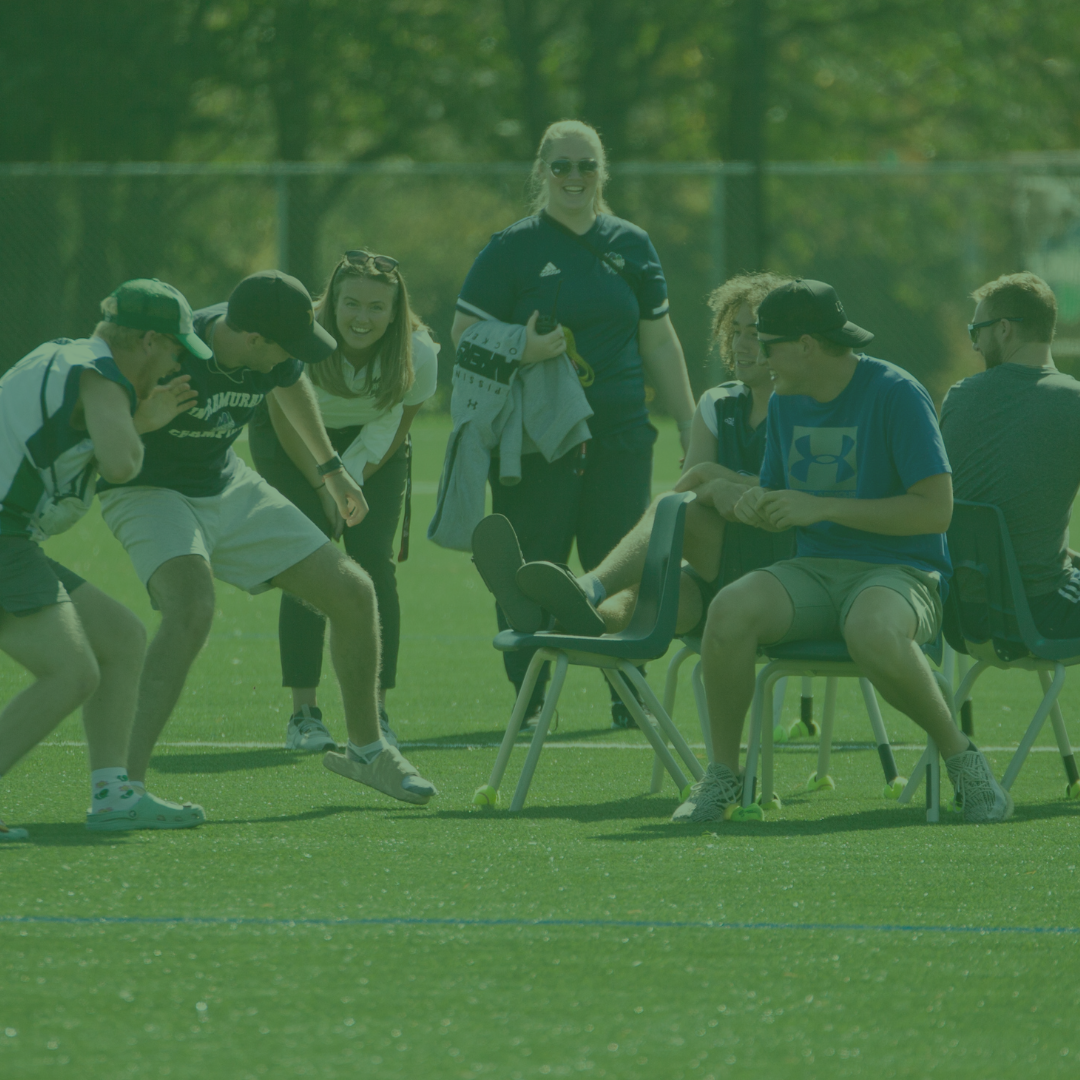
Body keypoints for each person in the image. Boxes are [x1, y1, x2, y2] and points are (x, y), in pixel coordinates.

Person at [671, 278, 1013, 825]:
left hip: (903, 571)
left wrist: (822, 508)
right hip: (811, 570)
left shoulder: (895, 393)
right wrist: (755, 501)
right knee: (728, 609)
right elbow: (787, 497)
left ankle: (963, 761)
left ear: (806, 345)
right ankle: (722, 777)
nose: (758, 357)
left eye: (769, 343)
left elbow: (935, 511)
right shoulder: (786, 400)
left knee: (871, 629)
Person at [96, 270, 437, 811]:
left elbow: (290, 378)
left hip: (223, 480)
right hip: (147, 487)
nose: (293, 358)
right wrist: (142, 417)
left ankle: (369, 750)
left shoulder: (272, 353)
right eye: (285, 347)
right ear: (252, 339)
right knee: (191, 606)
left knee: (353, 590)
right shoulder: (170, 347)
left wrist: (331, 469)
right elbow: (96, 415)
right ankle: (119, 788)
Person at [451, 118, 696, 727]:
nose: (575, 177)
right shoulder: (512, 247)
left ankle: (625, 691)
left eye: (586, 165)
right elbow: (463, 333)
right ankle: (532, 699)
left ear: (602, 171)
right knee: (534, 562)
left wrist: (691, 422)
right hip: (536, 439)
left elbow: (660, 340)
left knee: (621, 559)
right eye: (561, 165)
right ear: (541, 172)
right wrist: (524, 348)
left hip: (621, 431)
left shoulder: (632, 244)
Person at [475, 272, 796, 650]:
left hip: (781, 572)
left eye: (755, 334)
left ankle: (587, 586)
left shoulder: (806, 409)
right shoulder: (718, 403)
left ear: (786, 339)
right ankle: (557, 616)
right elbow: (690, 486)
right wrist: (716, 485)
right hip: (721, 571)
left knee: (673, 509)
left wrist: (715, 476)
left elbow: (789, 498)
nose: (742, 344)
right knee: (649, 598)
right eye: (735, 331)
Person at [1, 279, 209, 839]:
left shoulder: (69, 356)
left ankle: (114, 794)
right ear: (146, 340)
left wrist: (131, 418)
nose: (170, 366)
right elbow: (120, 464)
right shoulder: (102, 374)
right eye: (172, 350)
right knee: (70, 673)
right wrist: (136, 424)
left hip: (10, 535)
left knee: (120, 637)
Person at [250, 251, 439, 751]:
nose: (361, 317)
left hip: (374, 449)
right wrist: (324, 485)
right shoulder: (301, 333)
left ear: (396, 311)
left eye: (376, 307)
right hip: (290, 438)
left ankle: (375, 712)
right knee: (310, 557)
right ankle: (304, 715)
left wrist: (350, 478)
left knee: (373, 560)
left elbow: (394, 427)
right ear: (331, 302)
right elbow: (287, 413)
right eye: (350, 303)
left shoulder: (419, 353)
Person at [940, 272, 1080, 639]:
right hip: (1038, 610)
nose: (975, 346)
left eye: (976, 332)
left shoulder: (959, 396)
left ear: (1003, 329)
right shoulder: (1073, 402)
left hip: (961, 613)